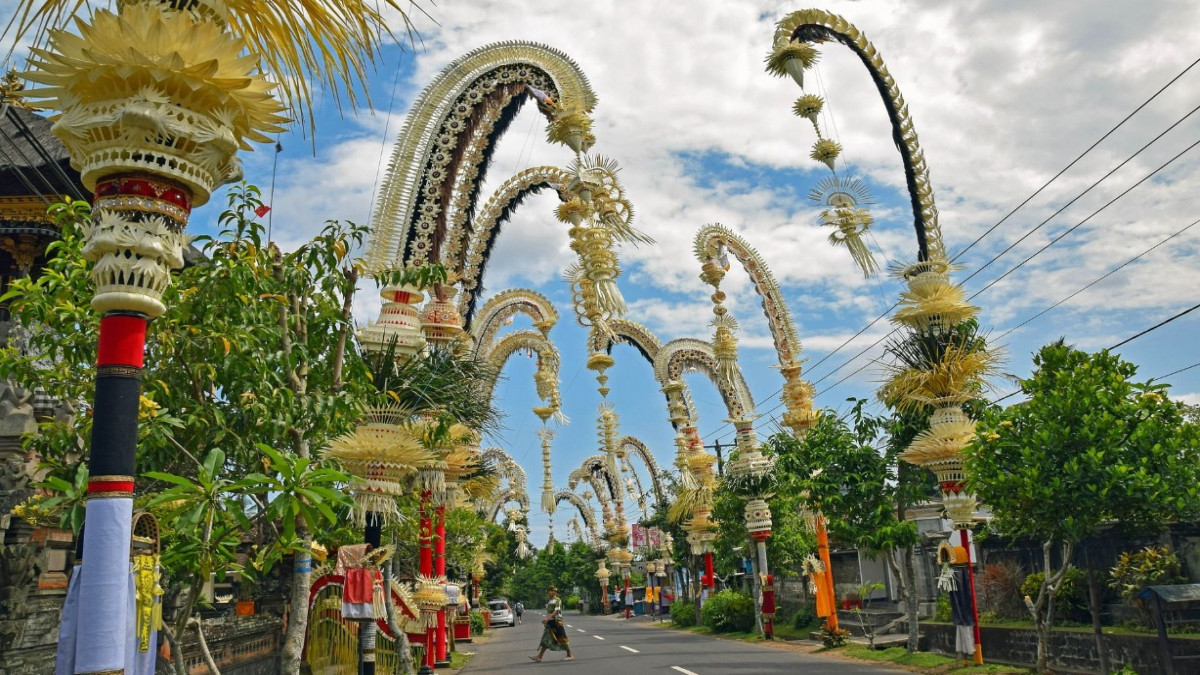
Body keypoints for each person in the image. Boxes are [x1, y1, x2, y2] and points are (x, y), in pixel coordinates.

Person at [530, 587, 573, 662]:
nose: (549, 592)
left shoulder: (558, 600)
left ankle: (569, 654)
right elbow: (549, 613)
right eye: (549, 591)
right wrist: (547, 621)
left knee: (562, 637)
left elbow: (556, 611)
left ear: (555, 592)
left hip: (557, 622)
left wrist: (547, 619)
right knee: (545, 639)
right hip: (550, 622)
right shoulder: (550, 602)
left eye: (551, 591)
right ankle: (539, 657)